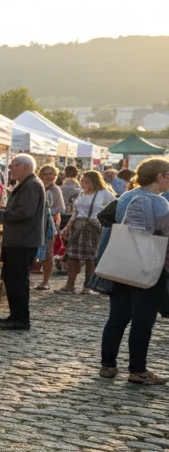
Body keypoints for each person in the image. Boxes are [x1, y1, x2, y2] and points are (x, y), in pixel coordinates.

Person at [99, 158, 169, 385]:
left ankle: (108, 365)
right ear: (160, 176)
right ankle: (138, 370)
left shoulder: (126, 196)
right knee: (143, 320)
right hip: (147, 267)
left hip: (122, 263)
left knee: (117, 318)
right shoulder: (160, 203)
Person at [0, 154, 45, 330]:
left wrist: (3, 215)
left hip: (23, 241)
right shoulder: (27, 184)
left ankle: (21, 318)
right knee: (12, 278)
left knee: (18, 280)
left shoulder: (31, 185)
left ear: (24, 166)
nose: (10, 169)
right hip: (18, 240)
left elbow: (25, 212)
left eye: (13, 165)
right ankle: (16, 315)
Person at [59, 170, 115, 294]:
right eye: (82, 181)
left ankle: (88, 286)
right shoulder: (81, 194)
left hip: (94, 228)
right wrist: (67, 228)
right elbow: (75, 212)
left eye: (87, 181)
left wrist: (106, 223)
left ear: (95, 182)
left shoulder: (104, 194)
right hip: (78, 227)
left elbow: (115, 207)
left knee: (91, 258)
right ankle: (70, 285)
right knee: (72, 256)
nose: (84, 184)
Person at [35, 165, 65, 290]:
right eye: (45, 174)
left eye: (51, 174)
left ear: (55, 176)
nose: (48, 176)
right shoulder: (36, 186)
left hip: (48, 223)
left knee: (48, 253)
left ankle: (45, 281)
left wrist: (47, 211)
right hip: (35, 223)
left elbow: (60, 208)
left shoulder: (55, 189)